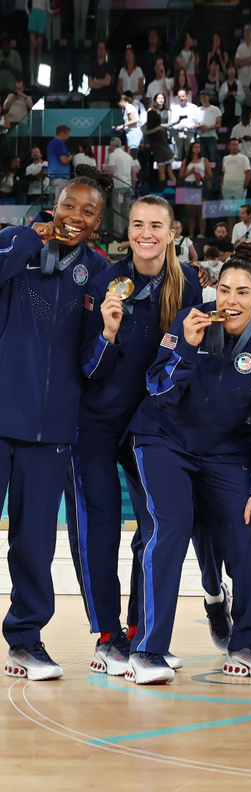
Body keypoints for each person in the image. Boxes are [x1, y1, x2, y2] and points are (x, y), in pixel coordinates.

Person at [124, 251, 251, 683]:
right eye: (223, 290)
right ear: (212, 291)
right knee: (172, 524)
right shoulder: (189, 320)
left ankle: (248, 644)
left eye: (242, 292)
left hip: (222, 453)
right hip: (161, 440)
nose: (230, 300)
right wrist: (185, 347)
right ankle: (147, 651)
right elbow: (156, 390)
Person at [68, 196, 204, 676]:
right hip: (96, 423)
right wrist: (106, 332)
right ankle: (107, 634)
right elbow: (86, 368)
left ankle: (141, 630)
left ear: (173, 232)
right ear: (129, 231)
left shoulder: (188, 283)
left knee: (156, 527)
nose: (146, 233)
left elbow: (188, 362)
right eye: (138, 225)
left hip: (150, 425)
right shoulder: (107, 282)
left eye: (157, 226)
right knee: (99, 527)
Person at [1, 168, 109, 680]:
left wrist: (109, 333)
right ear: (55, 205)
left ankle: (25, 640)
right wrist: (29, 236)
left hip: (52, 433)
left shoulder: (100, 272)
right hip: (1, 417)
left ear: (98, 224)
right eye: (70, 206)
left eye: (89, 212)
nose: (76, 218)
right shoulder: (15, 245)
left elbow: (92, 359)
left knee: (35, 544)